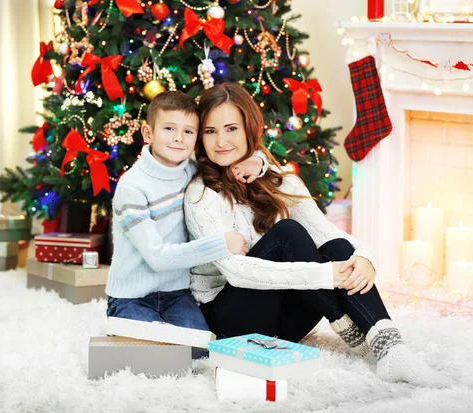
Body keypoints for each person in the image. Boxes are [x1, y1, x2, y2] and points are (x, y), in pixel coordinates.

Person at [184, 83, 446, 386]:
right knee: (288, 233)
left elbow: (330, 235)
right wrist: (326, 277)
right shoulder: (200, 195)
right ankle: (345, 322)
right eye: (210, 131)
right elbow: (237, 273)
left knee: (334, 246)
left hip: (281, 326)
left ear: (249, 129)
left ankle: (391, 350)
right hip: (231, 322)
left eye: (231, 128)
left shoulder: (283, 182)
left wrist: (365, 258)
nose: (221, 141)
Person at [106, 90, 266, 337]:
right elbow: (157, 257)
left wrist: (259, 161)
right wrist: (221, 245)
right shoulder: (132, 188)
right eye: (169, 129)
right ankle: (122, 325)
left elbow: (235, 159)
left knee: (196, 350)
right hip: (131, 296)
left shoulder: (192, 170)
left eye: (188, 131)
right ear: (148, 133)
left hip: (177, 293)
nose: (178, 138)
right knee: (155, 352)